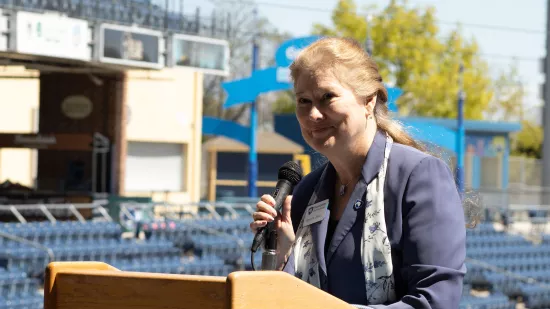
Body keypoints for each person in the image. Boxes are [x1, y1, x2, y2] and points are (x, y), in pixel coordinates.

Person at [250, 37, 467, 308]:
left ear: (368, 101)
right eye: (303, 100)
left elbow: (435, 301)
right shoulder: (306, 191)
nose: (313, 114)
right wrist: (282, 255)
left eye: (327, 97)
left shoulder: (418, 176)